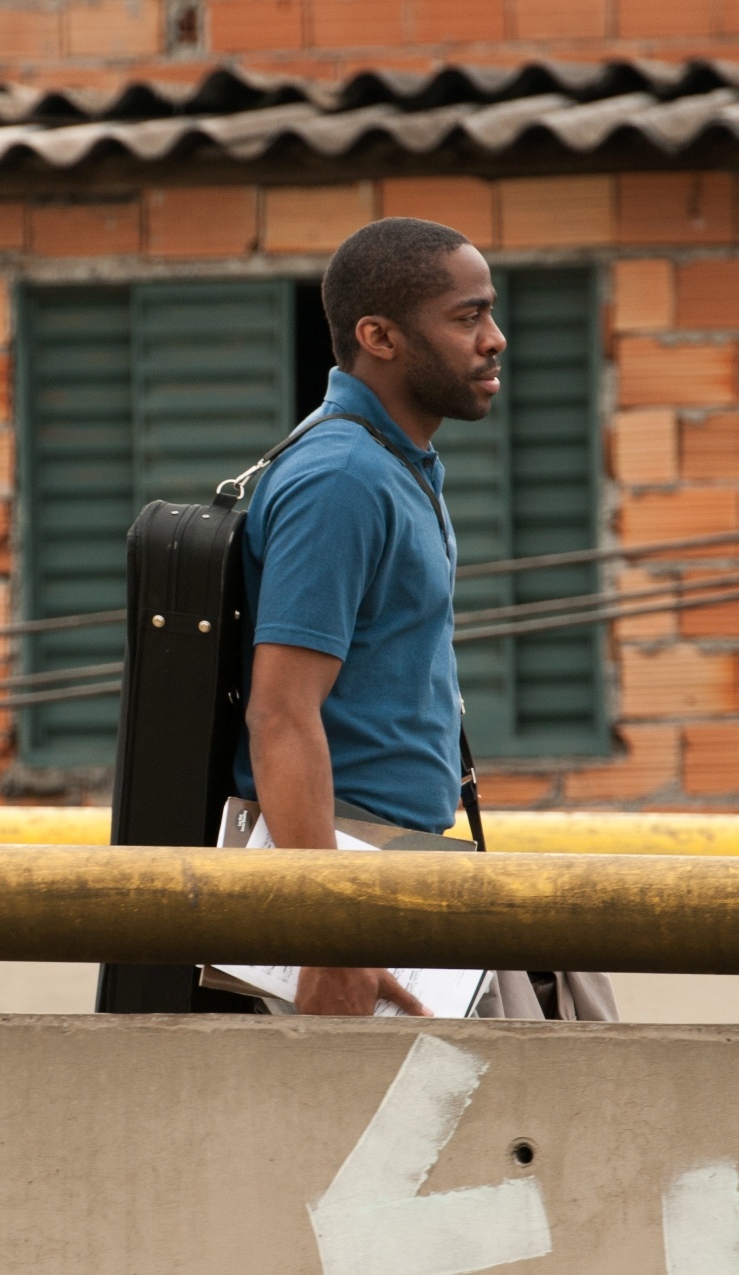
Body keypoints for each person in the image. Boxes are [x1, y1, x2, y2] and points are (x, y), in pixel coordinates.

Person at [236, 217, 617, 1022]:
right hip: (346, 879)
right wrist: (332, 940)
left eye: (490, 312)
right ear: (380, 335)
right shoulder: (342, 476)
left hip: (393, 867)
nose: (496, 339)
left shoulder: (392, 464)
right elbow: (280, 712)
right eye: (467, 316)